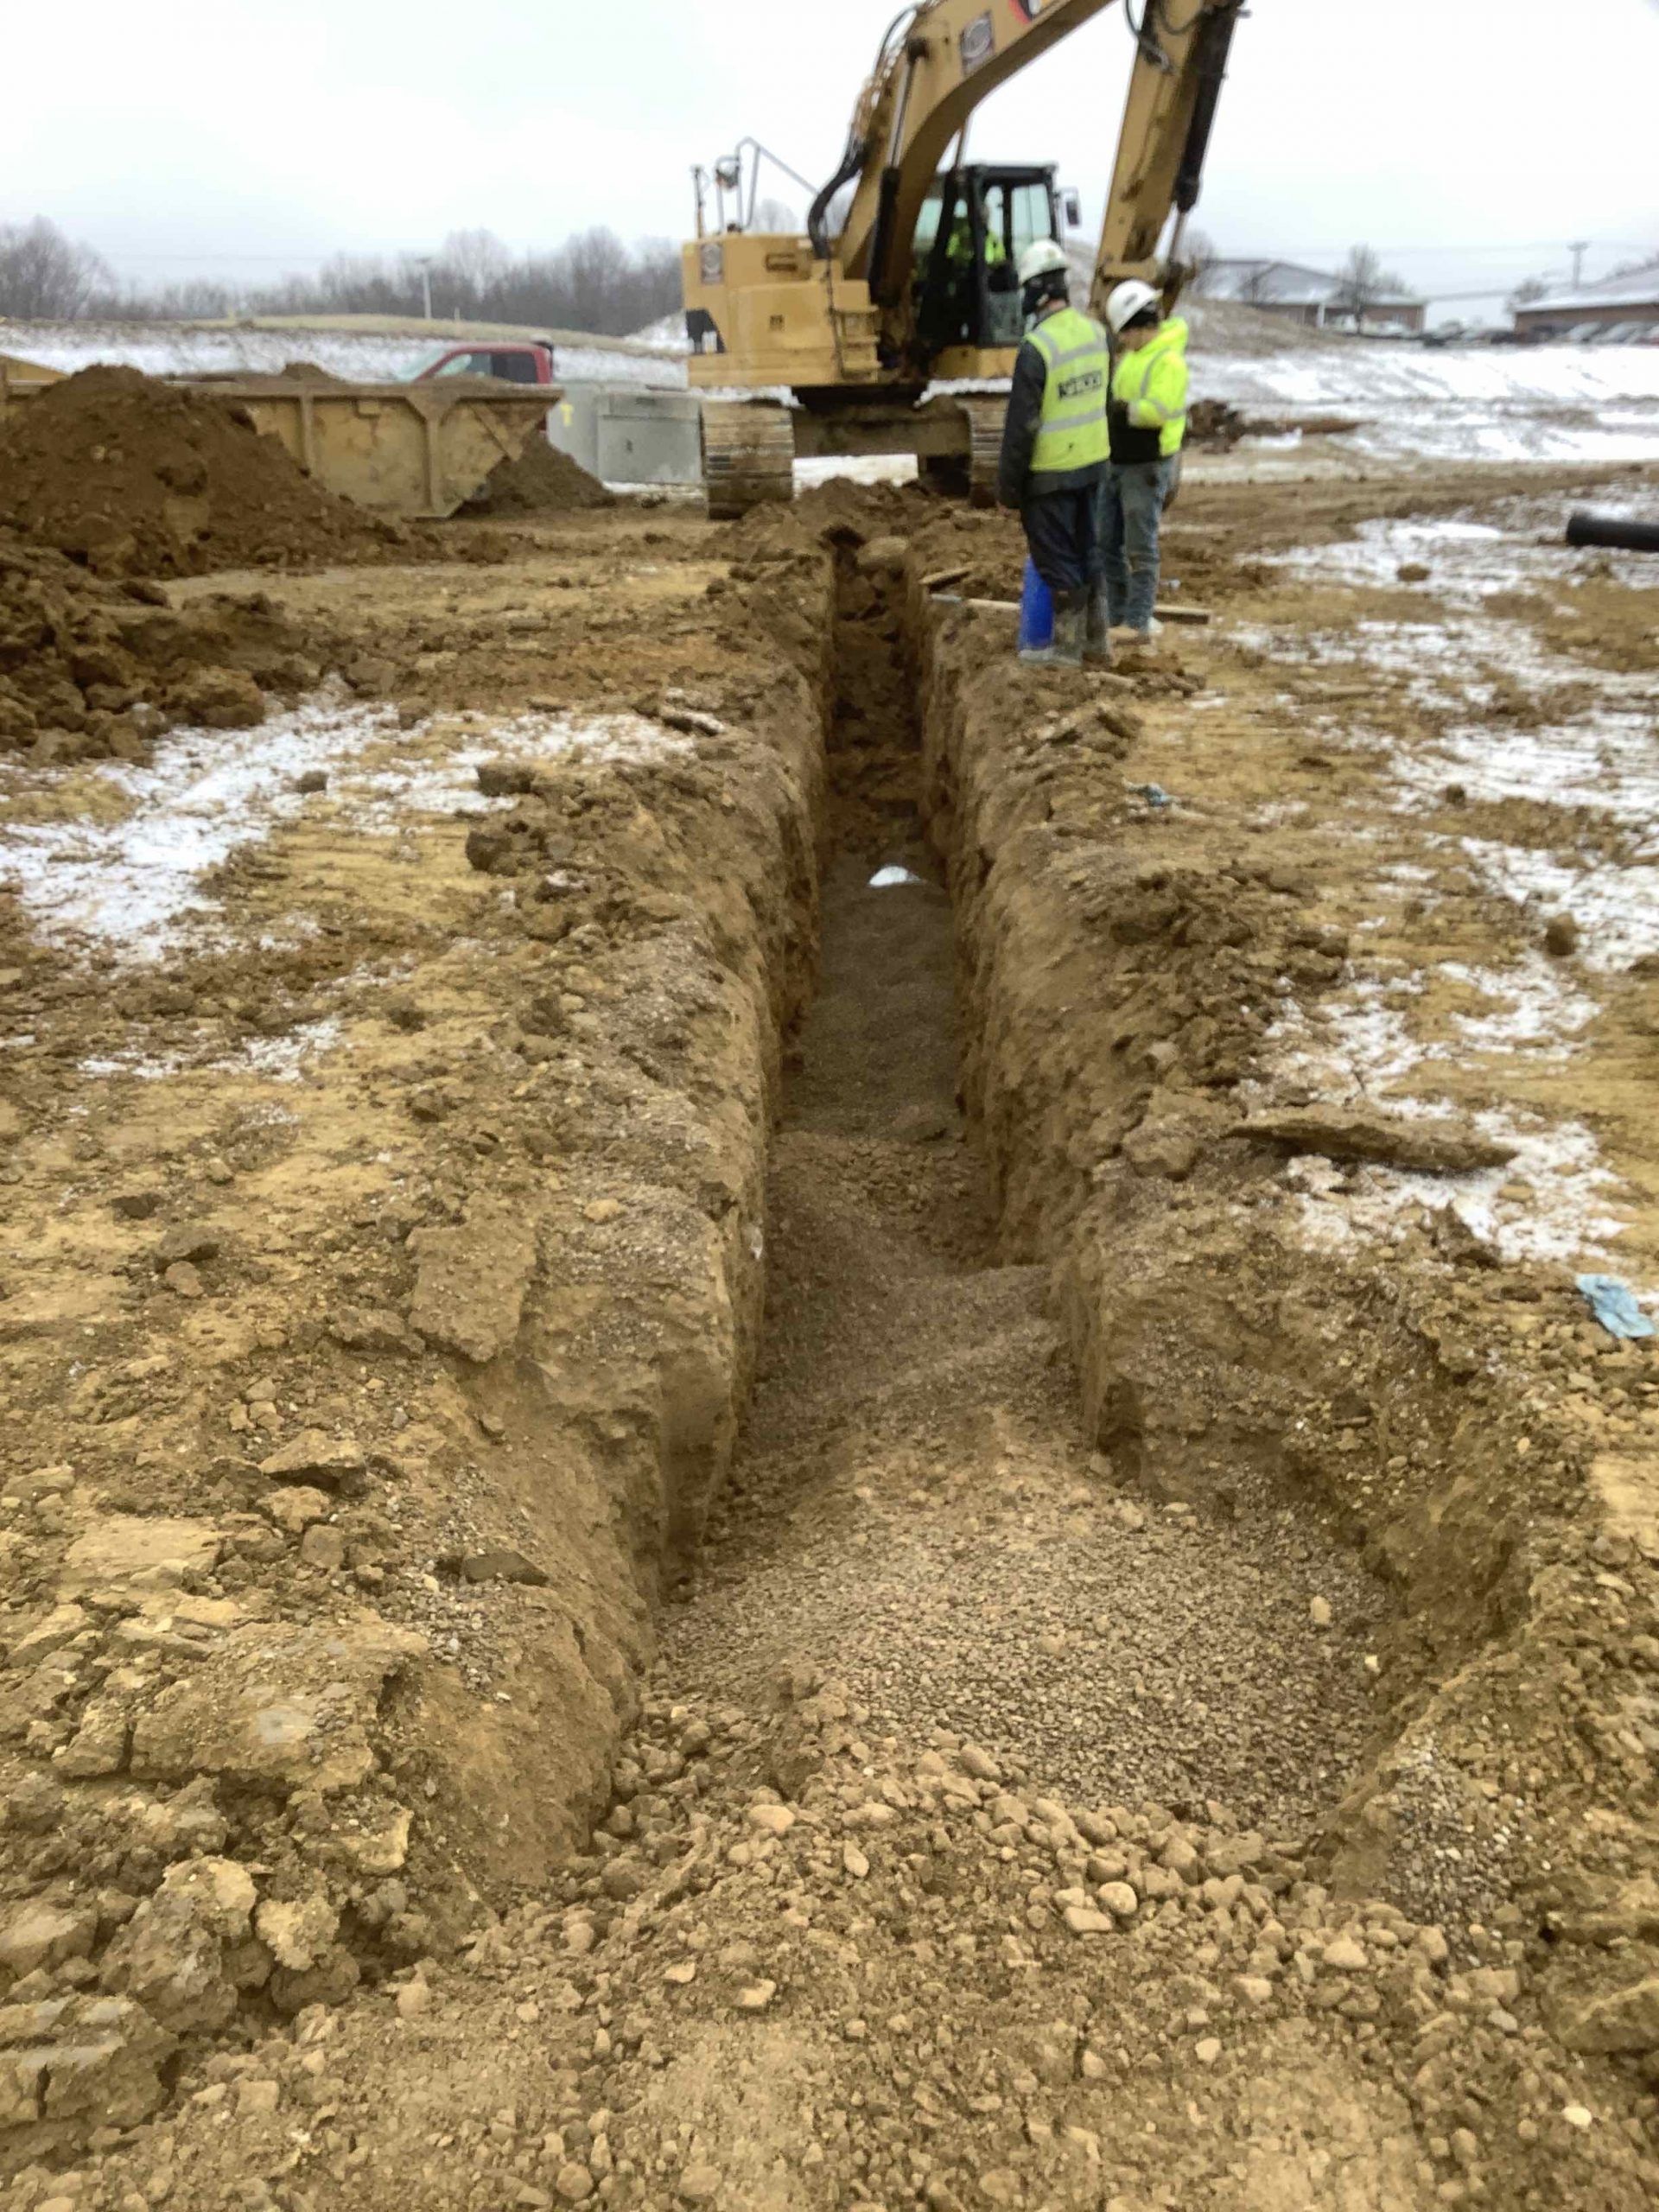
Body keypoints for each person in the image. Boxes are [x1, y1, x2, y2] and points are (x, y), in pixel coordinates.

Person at [997, 239, 1111, 668]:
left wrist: (1008, 487)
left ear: (1036, 292)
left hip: (1050, 475)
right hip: (1093, 467)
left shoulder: (1038, 348)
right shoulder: (1098, 335)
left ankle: (1065, 654)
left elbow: (1021, 428)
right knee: (1089, 554)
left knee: (1058, 562)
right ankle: (1097, 644)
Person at [1100, 280, 1191, 647]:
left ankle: (1137, 621)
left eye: (1124, 332)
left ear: (1138, 326)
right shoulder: (1133, 358)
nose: (1122, 339)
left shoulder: (1168, 362)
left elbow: (1155, 412)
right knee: (1107, 541)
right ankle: (1117, 615)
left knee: (1140, 546)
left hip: (1147, 463)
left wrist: (1118, 412)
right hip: (1120, 460)